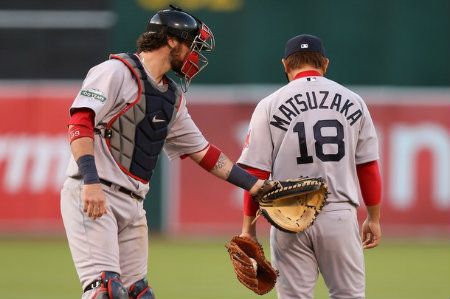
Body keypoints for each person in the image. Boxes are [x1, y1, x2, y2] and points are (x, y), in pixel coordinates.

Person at [61, 6, 268, 299]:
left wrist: (257, 186)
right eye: (192, 44)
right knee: (106, 291)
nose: (195, 54)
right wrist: (90, 181)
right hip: (96, 192)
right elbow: (80, 122)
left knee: (138, 294)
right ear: (171, 40)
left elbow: (205, 153)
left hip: (133, 204)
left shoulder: (172, 97)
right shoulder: (116, 71)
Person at [237, 34, 382, 299]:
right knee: (348, 295)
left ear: (285, 65)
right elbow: (368, 166)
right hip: (338, 212)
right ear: (325, 63)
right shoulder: (353, 101)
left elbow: (254, 173)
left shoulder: (269, 105)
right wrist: (373, 218)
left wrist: (248, 228)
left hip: (287, 216)